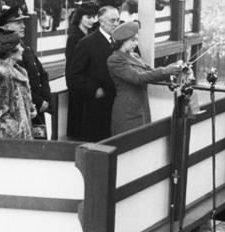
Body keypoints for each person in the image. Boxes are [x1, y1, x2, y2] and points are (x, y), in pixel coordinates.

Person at [107, 21, 183, 135]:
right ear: (122, 41)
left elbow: (150, 72)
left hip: (142, 107)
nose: (135, 43)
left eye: (136, 40)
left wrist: (171, 68)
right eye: (133, 40)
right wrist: (166, 70)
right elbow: (137, 78)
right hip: (127, 111)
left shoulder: (135, 56)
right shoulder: (115, 59)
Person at [0, 6, 51, 139]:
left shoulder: (24, 46)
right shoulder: (5, 51)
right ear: (6, 27)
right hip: (20, 116)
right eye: (18, 23)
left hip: (35, 110)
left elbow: (41, 74)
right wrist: (38, 102)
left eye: (23, 22)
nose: (23, 26)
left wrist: (45, 100)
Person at [69, 5, 120, 142]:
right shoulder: (86, 43)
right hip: (97, 107)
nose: (116, 24)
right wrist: (94, 91)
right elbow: (74, 75)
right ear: (101, 21)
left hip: (118, 103)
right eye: (112, 20)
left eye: (118, 20)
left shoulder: (121, 41)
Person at [0, 32, 36, 139]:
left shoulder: (18, 71)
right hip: (7, 139)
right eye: (19, 47)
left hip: (20, 137)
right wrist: (18, 129)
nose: (23, 50)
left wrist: (30, 108)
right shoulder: (1, 73)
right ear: (10, 51)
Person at [65, 1, 99, 140]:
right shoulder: (74, 38)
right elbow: (73, 64)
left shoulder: (90, 33)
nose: (92, 20)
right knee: (79, 120)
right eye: (88, 17)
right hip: (79, 84)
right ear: (80, 17)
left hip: (88, 83)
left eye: (93, 17)